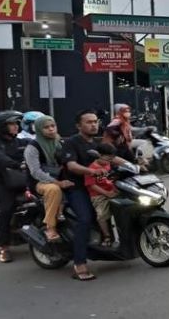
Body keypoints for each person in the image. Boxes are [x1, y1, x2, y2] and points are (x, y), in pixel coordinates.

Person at [61, 109, 128, 281]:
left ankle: (116, 242)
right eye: (88, 122)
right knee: (85, 219)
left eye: (95, 121)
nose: (93, 125)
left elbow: (111, 158)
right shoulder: (71, 142)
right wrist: (91, 171)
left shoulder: (97, 143)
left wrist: (133, 165)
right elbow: (72, 166)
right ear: (78, 125)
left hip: (98, 185)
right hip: (77, 187)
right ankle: (79, 263)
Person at [24, 115, 73, 243]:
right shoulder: (32, 147)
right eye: (46, 127)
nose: (51, 129)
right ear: (39, 130)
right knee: (54, 189)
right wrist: (57, 182)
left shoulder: (59, 142)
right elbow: (35, 172)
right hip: (40, 182)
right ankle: (50, 227)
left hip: (60, 178)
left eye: (53, 126)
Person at [0, 111, 28, 263]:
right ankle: (4, 247)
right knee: (5, 210)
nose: (16, 126)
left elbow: (35, 150)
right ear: (2, 126)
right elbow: (0, 158)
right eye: (12, 124)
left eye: (16, 123)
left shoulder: (21, 142)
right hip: (1, 183)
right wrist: (17, 164)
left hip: (21, 180)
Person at [85, 143, 118, 247]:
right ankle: (107, 236)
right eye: (107, 158)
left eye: (111, 159)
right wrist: (107, 193)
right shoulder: (91, 169)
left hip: (112, 191)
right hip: (98, 195)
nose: (109, 161)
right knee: (101, 215)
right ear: (98, 155)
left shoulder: (108, 164)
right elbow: (91, 185)